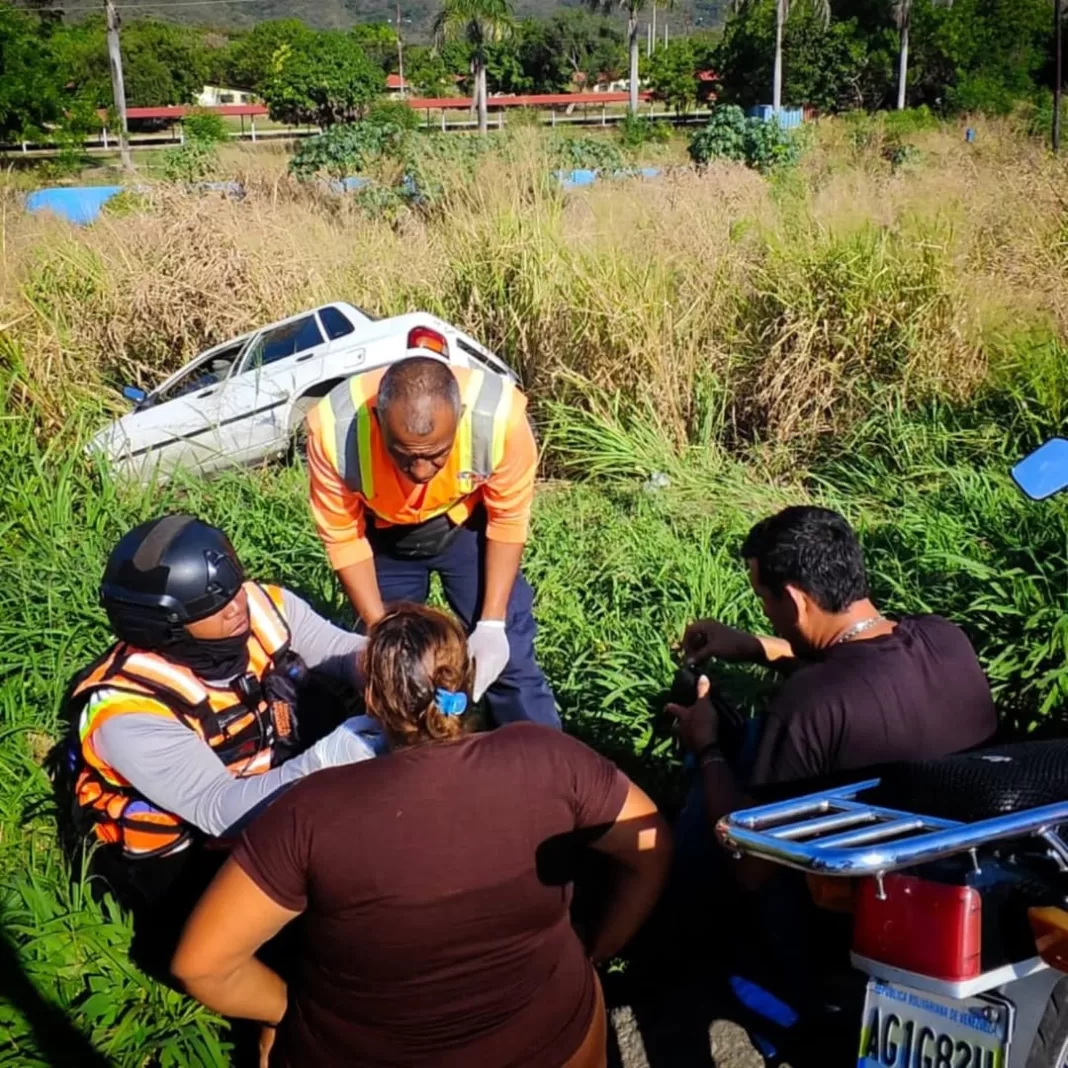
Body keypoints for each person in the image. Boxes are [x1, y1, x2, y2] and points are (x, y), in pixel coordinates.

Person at [172, 603, 672, 1068]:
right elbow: (652, 851)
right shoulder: (547, 756)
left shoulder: (312, 810)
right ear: (466, 682)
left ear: (370, 698)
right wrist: (599, 949)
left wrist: (285, 1009)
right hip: (555, 1041)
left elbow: (201, 965)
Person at [663, 505, 998, 1035]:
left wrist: (708, 750)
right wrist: (755, 647)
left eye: (765, 601)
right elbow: (856, 662)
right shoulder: (945, 639)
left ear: (794, 599)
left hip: (857, 915)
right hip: (965, 871)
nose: (767, 614)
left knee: (718, 804)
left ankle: (698, 972)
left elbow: (749, 862)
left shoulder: (806, 706)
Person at [63, 514, 383, 970]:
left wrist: (401, 663)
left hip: (262, 776)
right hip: (185, 848)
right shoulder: (127, 714)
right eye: (212, 605)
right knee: (304, 950)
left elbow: (341, 651)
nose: (237, 606)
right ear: (165, 627)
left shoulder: (259, 606)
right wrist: (327, 760)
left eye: (233, 586)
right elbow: (219, 809)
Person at [304, 355, 559, 728]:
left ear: (459, 419)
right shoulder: (333, 432)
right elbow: (344, 537)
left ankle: (542, 767)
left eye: (436, 455)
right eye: (404, 457)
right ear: (378, 423)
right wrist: (381, 634)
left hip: (466, 527)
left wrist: (490, 625)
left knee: (511, 657)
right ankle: (404, 763)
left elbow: (508, 519)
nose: (420, 473)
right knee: (391, 673)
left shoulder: (500, 420)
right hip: (384, 536)